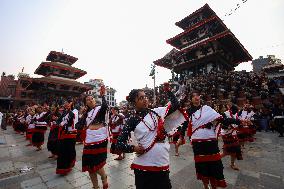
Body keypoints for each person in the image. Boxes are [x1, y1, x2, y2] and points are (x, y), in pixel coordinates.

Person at [116, 83, 186, 189]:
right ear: (134, 102)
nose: (145, 100)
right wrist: (133, 148)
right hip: (143, 167)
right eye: (141, 98)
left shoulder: (157, 112)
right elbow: (119, 144)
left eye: (145, 97)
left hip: (162, 162)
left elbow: (176, 105)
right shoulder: (132, 119)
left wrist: (168, 91)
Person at [178, 91, 227, 189]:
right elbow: (183, 126)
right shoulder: (188, 111)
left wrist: (237, 121)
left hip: (211, 141)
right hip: (197, 143)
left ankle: (214, 186)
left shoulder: (207, 109)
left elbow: (221, 119)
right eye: (194, 96)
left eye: (198, 95)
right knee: (202, 165)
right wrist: (181, 137)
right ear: (191, 99)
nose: (196, 97)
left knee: (215, 164)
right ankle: (205, 185)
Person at [82, 85, 109, 189]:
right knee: (89, 165)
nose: (90, 100)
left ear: (94, 100)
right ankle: (95, 187)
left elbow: (105, 106)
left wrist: (103, 96)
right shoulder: (86, 114)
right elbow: (79, 125)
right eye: (88, 100)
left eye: (92, 98)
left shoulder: (99, 109)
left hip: (100, 139)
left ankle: (103, 177)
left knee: (97, 164)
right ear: (86, 103)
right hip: (89, 140)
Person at [56, 98, 78, 175]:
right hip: (64, 133)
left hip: (71, 133)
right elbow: (59, 120)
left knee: (69, 149)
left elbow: (70, 121)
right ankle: (64, 167)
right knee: (63, 150)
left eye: (67, 102)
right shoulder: (65, 112)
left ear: (71, 103)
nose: (66, 104)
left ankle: (68, 165)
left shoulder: (74, 111)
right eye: (65, 103)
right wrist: (59, 123)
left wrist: (61, 123)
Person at [220, 104, 242, 170]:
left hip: (234, 134)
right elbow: (222, 125)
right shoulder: (224, 114)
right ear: (231, 110)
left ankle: (232, 164)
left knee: (235, 151)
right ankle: (213, 161)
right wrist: (227, 126)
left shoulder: (236, 114)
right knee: (226, 152)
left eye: (237, 111)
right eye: (235, 111)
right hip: (226, 135)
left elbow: (238, 122)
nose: (236, 112)